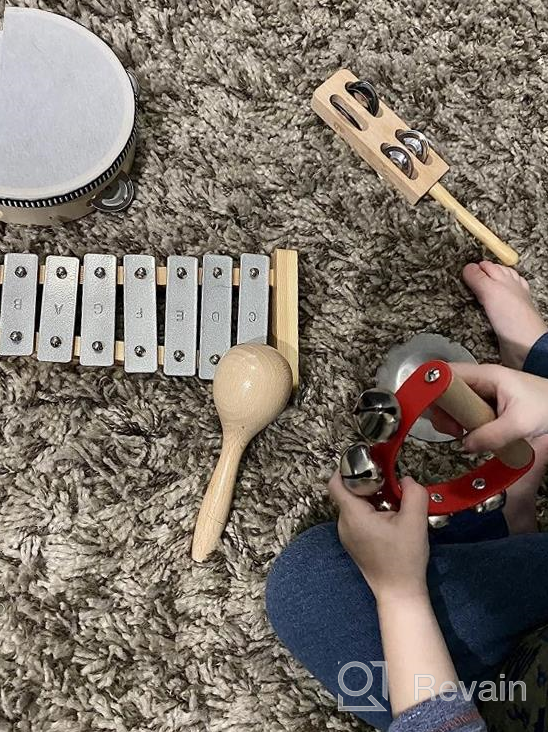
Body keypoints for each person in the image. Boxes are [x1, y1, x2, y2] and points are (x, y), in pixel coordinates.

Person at [266, 261, 548, 731]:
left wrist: (400, 595)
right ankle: (537, 373)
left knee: (311, 588)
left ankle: (507, 517)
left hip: (508, 690)